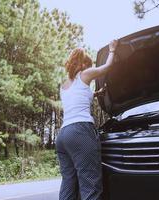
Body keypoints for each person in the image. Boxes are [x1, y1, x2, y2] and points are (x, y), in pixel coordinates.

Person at [56, 40, 118, 200]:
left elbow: (80, 97)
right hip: (80, 132)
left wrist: (97, 93)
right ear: (82, 64)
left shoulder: (64, 86)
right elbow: (107, 67)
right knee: (90, 183)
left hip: (63, 135)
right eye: (88, 65)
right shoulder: (84, 75)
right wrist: (112, 50)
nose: (90, 68)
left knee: (68, 183)